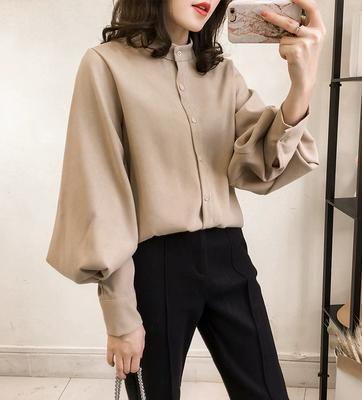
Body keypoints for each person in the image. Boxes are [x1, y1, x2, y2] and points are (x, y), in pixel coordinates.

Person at [47, 0, 325, 398]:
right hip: (154, 268)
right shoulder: (105, 66)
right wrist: (121, 314)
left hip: (229, 257)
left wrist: (302, 86)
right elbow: (98, 193)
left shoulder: (221, 72)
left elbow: (260, 166)